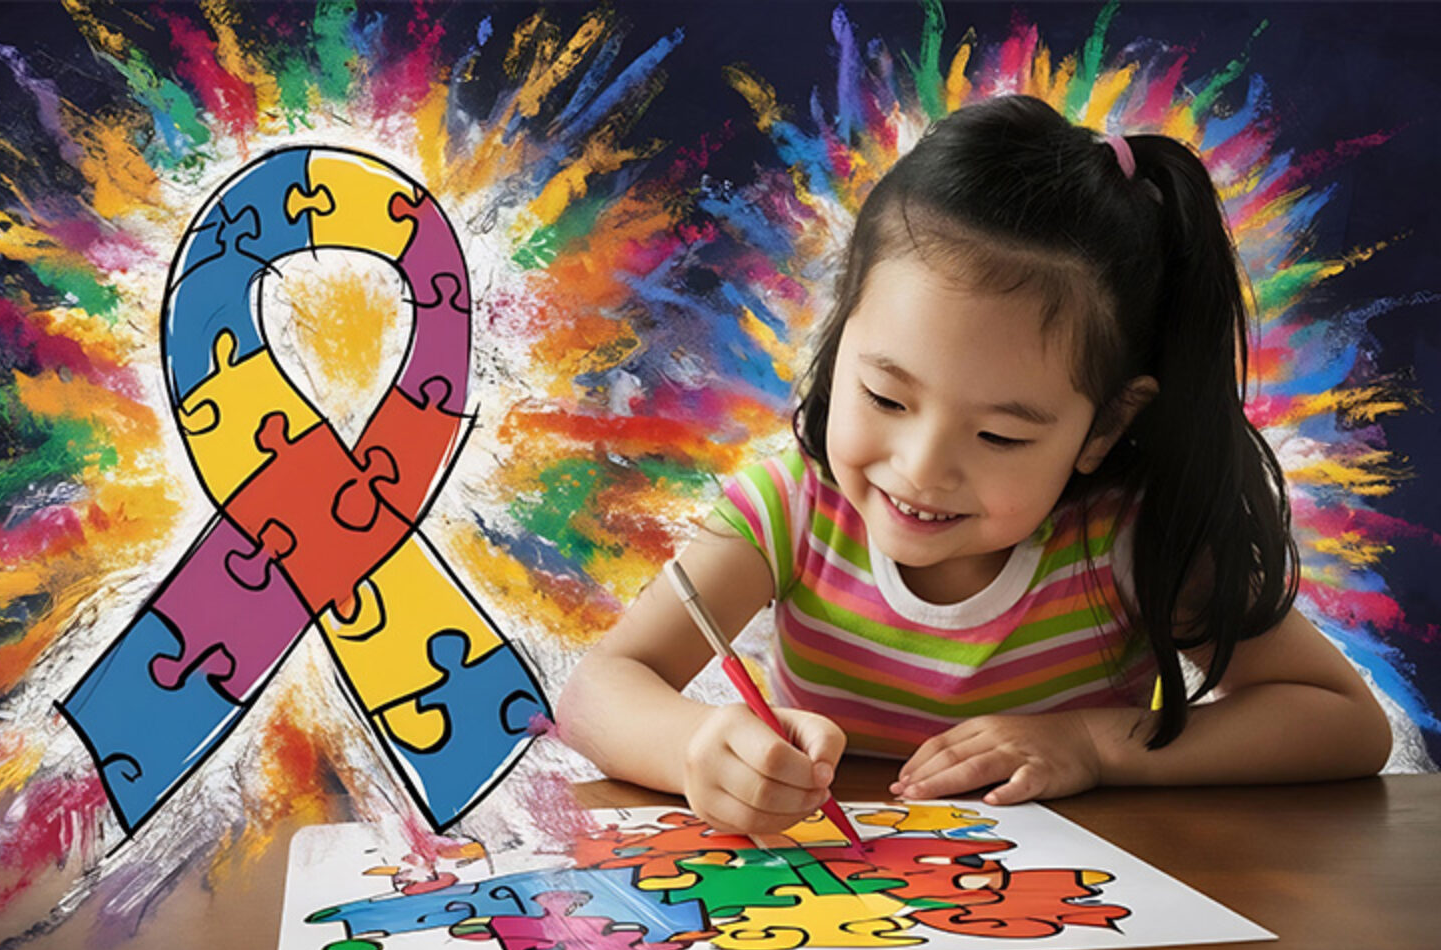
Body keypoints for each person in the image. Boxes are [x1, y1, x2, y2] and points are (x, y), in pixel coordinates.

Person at [556, 95, 1393, 836]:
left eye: (999, 437)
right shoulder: (792, 509)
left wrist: (1092, 745)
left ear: (1103, 426)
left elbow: (1343, 721)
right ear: (842, 338)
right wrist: (698, 748)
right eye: (885, 398)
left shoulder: (1128, 540)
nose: (921, 470)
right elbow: (599, 688)